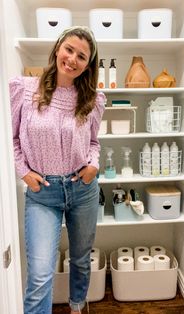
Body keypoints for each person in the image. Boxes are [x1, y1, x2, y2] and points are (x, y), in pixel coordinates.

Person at [9, 26, 106, 314]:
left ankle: (77, 306)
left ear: (88, 65)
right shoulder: (24, 89)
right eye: (69, 49)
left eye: (82, 56)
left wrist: (93, 166)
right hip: (43, 193)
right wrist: (23, 171)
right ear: (57, 48)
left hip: (83, 189)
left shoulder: (92, 99)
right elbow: (11, 138)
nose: (73, 59)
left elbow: (93, 142)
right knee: (40, 272)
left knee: (80, 258)